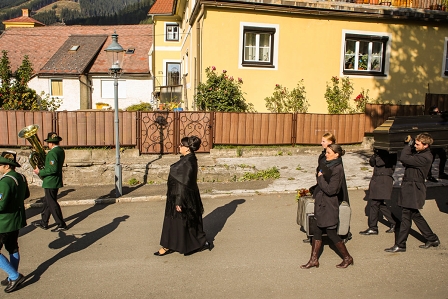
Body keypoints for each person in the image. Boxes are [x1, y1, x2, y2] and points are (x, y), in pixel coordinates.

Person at [155, 136, 210, 256]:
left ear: (188, 148)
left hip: (182, 197)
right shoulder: (188, 159)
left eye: (181, 145)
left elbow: (183, 184)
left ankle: (170, 245)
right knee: (180, 222)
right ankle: (171, 245)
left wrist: (179, 201)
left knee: (180, 221)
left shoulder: (188, 162)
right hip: (179, 196)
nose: (179, 146)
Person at [385, 133, 440, 253]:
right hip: (410, 187)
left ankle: (401, 245)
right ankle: (432, 238)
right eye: (414, 143)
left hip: (414, 189)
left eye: (417, 144)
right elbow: (406, 161)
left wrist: (408, 145)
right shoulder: (420, 154)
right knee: (415, 215)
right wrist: (410, 146)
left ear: (425, 145)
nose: (415, 145)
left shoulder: (425, 157)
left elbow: (404, 158)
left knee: (406, 217)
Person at [301, 144, 353, 269]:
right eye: (326, 152)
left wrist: (320, 178)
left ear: (337, 154)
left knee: (331, 232)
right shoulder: (328, 164)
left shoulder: (337, 169)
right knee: (317, 231)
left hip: (329, 205)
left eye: (329, 152)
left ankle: (347, 258)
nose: (326, 154)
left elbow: (331, 190)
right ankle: (313, 260)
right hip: (321, 203)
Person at [305, 133, 351, 243]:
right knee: (319, 216)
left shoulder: (335, 160)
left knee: (332, 215)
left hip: (330, 189)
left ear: (330, 143)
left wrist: (321, 178)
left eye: (324, 141)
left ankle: (343, 235)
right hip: (322, 187)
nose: (321, 143)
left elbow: (333, 179)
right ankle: (314, 240)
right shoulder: (324, 155)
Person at [0, 151, 29, 293]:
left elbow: (1, 206)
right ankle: (12, 275)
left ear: (6, 166)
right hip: (17, 219)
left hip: (4, 222)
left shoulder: (5, 181)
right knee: (12, 247)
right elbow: (27, 195)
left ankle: (14, 275)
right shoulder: (21, 177)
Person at [32, 132, 67, 232]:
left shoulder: (52, 153)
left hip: (51, 181)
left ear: (51, 143)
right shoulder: (60, 150)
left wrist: (40, 171)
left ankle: (61, 224)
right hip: (54, 180)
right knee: (47, 202)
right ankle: (44, 222)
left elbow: (53, 169)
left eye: (48, 143)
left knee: (52, 203)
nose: (48, 144)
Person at [359, 148, 397, 235]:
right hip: (377, 179)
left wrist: (377, 154)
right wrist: (375, 154)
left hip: (383, 180)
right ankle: (395, 222)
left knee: (375, 203)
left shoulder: (390, 153)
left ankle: (373, 227)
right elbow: (372, 163)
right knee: (378, 204)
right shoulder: (380, 153)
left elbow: (380, 162)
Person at [426, 106, 448, 183]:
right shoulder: (430, 120)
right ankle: (429, 175)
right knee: (431, 160)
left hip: (439, 142)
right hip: (432, 143)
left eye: (439, 112)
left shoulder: (440, 119)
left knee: (443, 157)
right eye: (436, 112)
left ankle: (441, 173)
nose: (438, 113)